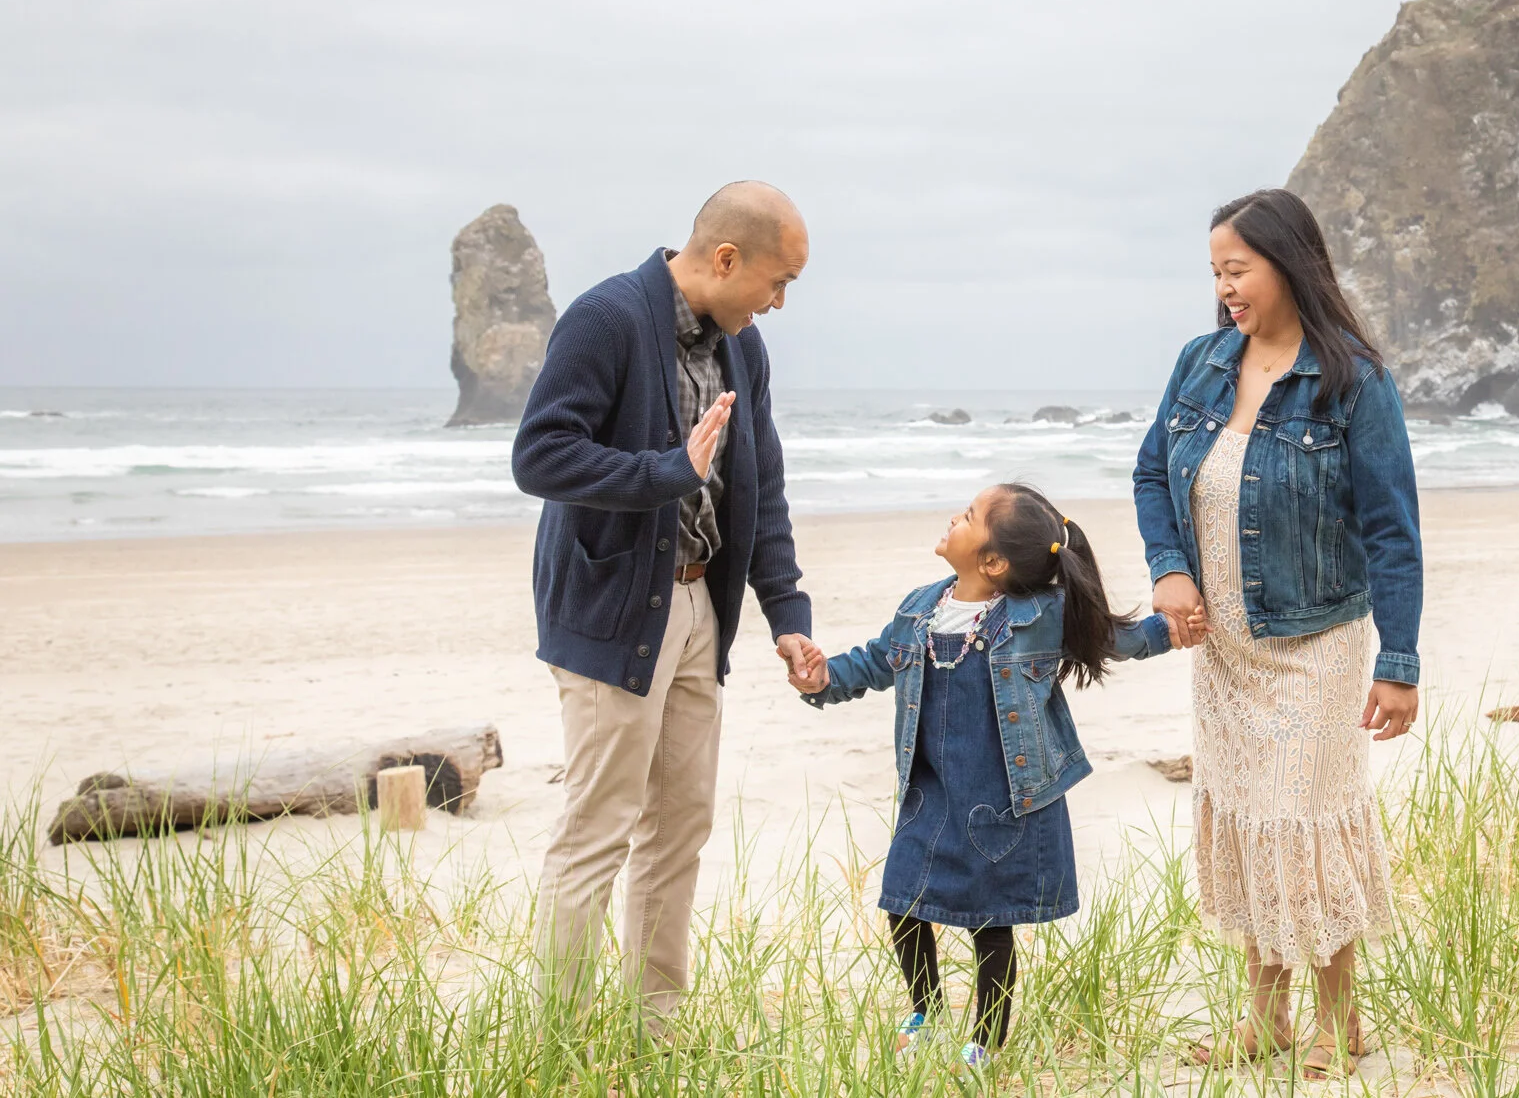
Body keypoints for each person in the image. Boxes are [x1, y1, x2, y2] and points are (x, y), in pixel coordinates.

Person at [512, 180, 824, 1039]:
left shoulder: (742, 349)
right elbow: (539, 455)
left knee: (680, 826)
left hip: (699, 610)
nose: (779, 302)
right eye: (777, 280)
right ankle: (564, 1046)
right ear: (726, 258)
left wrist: (785, 607)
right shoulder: (607, 318)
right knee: (598, 831)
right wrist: (665, 470)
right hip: (612, 611)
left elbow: (760, 485)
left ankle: (654, 1031)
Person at [1132, 188, 1423, 1080]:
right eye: (1215, 272)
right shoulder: (1202, 362)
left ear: (1287, 265)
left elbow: (1392, 528)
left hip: (1316, 644)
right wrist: (1168, 568)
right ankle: (1267, 1018)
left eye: (1237, 269)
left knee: (1302, 823)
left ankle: (1342, 1020)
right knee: (1254, 824)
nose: (1224, 288)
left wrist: (1400, 663)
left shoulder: (1354, 382)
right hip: (1223, 649)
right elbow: (1151, 472)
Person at [784, 483, 1185, 1070]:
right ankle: (925, 1010)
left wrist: (1170, 631)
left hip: (1006, 796)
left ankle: (987, 1039)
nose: (955, 514)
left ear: (993, 562)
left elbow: (1107, 638)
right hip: (933, 790)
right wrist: (822, 679)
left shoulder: (1037, 616)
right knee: (904, 899)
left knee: (991, 924)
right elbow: (875, 661)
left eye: (970, 515)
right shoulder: (922, 606)